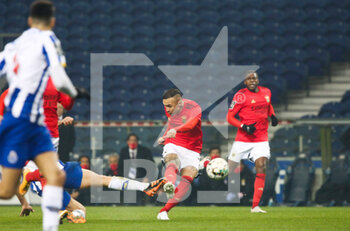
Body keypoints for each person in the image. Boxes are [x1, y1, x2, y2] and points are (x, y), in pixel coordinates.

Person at [0, 1, 78, 230]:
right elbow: (60, 77)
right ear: (52, 21)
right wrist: (75, 92)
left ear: (29, 20)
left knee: (55, 176)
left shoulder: (15, 45)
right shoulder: (49, 39)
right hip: (20, 124)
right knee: (5, 191)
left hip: (36, 125)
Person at [19, 158, 167, 223]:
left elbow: (11, 181)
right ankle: (145, 187)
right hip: (51, 174)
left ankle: (59, 212)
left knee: (80, 211)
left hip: (55, 173)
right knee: (83, 208)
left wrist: (24, 202)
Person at [226, 71, 278, 213]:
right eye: (248, 79)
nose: (252, 80)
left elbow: (268, 105)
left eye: (254, 78)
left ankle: (255, 206)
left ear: (258, 79)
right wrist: (244, 126)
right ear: (245, 82)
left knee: (261, 166)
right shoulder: (240, 96)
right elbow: (229, 117)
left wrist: (272, 115)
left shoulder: (267, 92)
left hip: (261, 139)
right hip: (243, 139)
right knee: (229, 170)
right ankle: (206, 165)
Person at [157, 88, 202, 220]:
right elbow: (172, 122)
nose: (167, 109)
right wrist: (165, 136)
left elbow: (191, 125)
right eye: (165, 106)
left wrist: (176, 130)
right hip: (174, 142)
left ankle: (164, 211)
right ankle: (169, 183)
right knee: (172, 159)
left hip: (193, 148)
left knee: (187, 180)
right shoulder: (169, 108)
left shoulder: (194, 108)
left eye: (170, 106)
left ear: (180, 103)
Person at [118, 133, 154, 205]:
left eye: (134, 140)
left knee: (140, 198)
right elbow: (120, 167)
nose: (132, 142)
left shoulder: (145, 151)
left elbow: (151, 166)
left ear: (137, 141)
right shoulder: (123, 151)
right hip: (127, 178)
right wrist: (122, 178)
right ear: (127, 142)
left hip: (142, 178)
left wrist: (147, 177)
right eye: (131, 140)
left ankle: (141, 206)